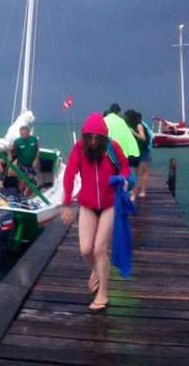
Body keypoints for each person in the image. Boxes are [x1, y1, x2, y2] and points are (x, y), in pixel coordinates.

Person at [61, 112, 130, 312]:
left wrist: (123, 179)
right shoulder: (79, 149)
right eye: (89, 136)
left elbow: (125, 167)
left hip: (109, 204)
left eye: (96, 137)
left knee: (99, 249)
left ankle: (103, 294)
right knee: (85, 249)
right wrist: (66, 203)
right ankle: (96, 271)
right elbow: (69, 173)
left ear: (103, 137)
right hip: (87, 204)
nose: (92, 141)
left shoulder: (112, 147)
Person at [124, 109, 151, 201]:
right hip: (136, 150)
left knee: (144, 171)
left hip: (144, 149)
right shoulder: (129, 126)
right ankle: (134, 190)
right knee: (133, 172)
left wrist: (133, 132)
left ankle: (143, 191)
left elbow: (143, 138)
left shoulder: (139, 126)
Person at [103, 103, 140, 168]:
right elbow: (130, 139)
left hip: (105, 156)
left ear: (109, 112)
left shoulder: (103, 120)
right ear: (119, 113)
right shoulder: (122, 122)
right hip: (121, 156)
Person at [14, 125, 40, 195]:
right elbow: (14, 152)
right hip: (22, 164)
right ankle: (21, 195)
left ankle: (27, 195)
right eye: (22, 134)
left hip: (32, 165)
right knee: (22, 181)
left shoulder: (34, 139)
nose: (23, 135)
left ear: (28, 132)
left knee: (33, 184)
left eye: (25, 134)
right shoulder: (17, 142)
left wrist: (36, 160)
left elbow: (38, 150)